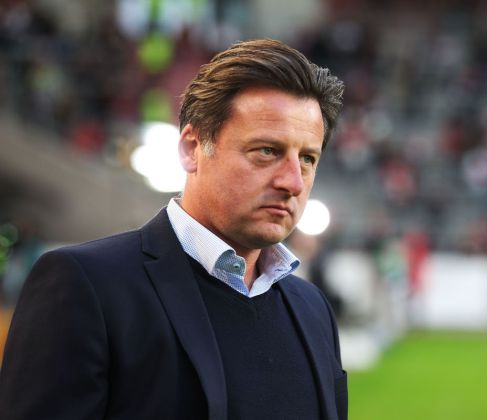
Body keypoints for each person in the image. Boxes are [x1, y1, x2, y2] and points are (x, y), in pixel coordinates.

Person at [0, 39, 346, 420]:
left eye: (308, 158)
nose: (293, 182)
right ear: (191, 147)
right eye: (266, 151)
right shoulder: (84, 286)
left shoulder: (313, 309)